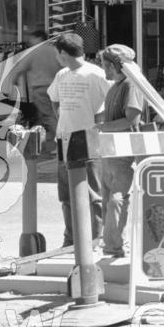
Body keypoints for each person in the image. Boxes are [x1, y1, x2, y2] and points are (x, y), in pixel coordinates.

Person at [47, 33, 107, 251]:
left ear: (63, 53)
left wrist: (98, 126)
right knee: (66, 193)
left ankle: (96, 237)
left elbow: (109, 104)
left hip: (89, 138)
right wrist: (62, 121)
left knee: (93, 191)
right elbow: (54, 99)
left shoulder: (96, 74)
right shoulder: (62, 74)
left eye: (57, 53)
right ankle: (71, 238)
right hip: (65, 137)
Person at [94, 45, 154, 260]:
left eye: (104, 65)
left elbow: (132, 119)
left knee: (117, 199)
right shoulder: (116, 86)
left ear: (112, 65)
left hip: (124, 151)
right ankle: (111, 244)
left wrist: (102, 127)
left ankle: (116, 246)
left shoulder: (131, 85)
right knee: (108, 198)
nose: (103, 70)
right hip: (110, 149)